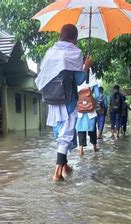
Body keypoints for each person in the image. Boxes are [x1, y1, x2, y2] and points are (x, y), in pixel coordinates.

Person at [35, 24, 93, 182]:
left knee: (60, 132)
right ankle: (57, 173)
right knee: (66, 135)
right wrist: (86, 67)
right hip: (68, 99)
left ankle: (65, 166)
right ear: (74, 38)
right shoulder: (75, 52)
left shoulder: (50, 52)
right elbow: (80, 80)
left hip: (52, 100)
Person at [76, 84, 102, 155]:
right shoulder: (92, 80)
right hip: (91, 110)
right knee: (92, 129)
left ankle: (81, 149)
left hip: (80, 109)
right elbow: (97, 95)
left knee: (80, 129)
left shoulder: (76, 78)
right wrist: (92, 103)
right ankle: (94, 147)